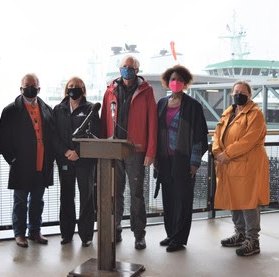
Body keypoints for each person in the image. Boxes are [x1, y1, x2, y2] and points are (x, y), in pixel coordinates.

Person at [101, 56, 157, 250]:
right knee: (114, 193)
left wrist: (150, 152)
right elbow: (103, 120)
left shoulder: (146, 91)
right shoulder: (110, 90)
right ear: (119, 68)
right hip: (114, 149)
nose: (127, 70)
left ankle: (139, 234)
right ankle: (115, 228)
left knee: (137, 194)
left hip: (136, 150)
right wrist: (103, 148)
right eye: (124, 67)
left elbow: (152, 123)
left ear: (137, 69)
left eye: (131, 67)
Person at [155, 65, 208, 252]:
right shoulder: (161, 103)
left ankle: (179, 239)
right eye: (172, 79)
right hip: (165, 160)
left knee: (183, 201)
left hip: (183, 161)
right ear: (167, 82)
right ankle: (170, 235)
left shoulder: (193, 106)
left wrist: (194, 163)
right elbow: (155, 132)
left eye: (179, 79)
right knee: (168, 200)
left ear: (185, 83)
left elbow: (200, 136)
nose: (175, 82)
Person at [0, 73, 55, 248]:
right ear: (21, 88)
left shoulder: (46, 109)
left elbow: (52, 135)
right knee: (20, 201)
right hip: (21, 165)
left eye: (33, 85)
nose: (30, 88)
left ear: (39, 87)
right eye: (26, 85)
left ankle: (35, 230)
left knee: (38, 200)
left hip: (41, 163)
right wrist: (13, 159)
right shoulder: (10, 110)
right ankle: (19, 233)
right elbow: (2, 139)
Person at [212, 80, 269, 256]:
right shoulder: (229, 112)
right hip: (230, 165)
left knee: (248, 202)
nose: (238, 94)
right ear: (232, 93)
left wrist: (226, 154)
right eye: (236, 91)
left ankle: (253, 240)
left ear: (249, 95)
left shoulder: (255, 115)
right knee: (235, 198)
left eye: (242, 92)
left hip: (247, 165)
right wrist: (217, 151)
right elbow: (217, 134)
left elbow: (248, 140)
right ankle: (240, 233)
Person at [53, 76, 99, 247]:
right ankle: (66, 233)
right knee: (66, 196)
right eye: (70, 86)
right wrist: (66, 151)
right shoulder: (58, 109)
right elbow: (54, 134)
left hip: (84, 160)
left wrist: (78, 152)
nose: (73, 88)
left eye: (77, 86)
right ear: (66, 89)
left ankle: (86, 235)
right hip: (64, 159)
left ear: (83, 89)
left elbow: (95, 132)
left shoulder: (91, 109)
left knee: (86, 197)